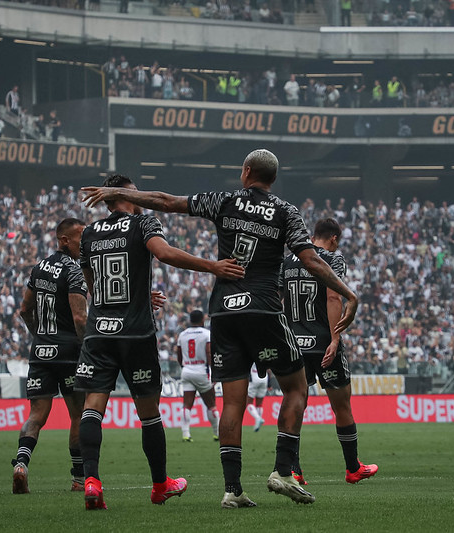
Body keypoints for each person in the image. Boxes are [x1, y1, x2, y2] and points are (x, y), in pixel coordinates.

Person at [81, 148, 359, 509]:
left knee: (232, 402)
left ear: (245, 172)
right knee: (296, 387)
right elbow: (309, 258)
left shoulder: (224, 201)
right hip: (262, 308)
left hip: (224, 312)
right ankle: (282, 470)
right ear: (272, 179)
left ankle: (232, 489)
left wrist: (119, 194)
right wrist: (347, 292)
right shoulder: (286, 211)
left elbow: (165, 201)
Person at [75, 174, 245, 510]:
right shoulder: (142, 222)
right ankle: (159, 485)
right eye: (136, 191)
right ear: (124, 195)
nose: (142, 196)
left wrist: (131, 296)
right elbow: (164, 254)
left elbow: (94, 282)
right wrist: (212, 266)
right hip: (135, 333)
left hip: (99, 332)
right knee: (149, 413)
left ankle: (91, 481)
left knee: (92, 407)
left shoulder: (90, 233)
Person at [281, 217, 378, 485]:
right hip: (323, 342)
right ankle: (352, 468)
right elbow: (334, 297)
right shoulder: (332, 259)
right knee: (342, 405)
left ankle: (293, 470)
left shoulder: (287, 261)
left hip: (294, 344)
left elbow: (278, 301)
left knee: (294, 403)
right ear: (333, 238)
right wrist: (335, 339)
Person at [11, 218, 89, 494]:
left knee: (36, 415)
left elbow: (24, 310)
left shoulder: (40, 267)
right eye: (81, 236)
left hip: (40, 352)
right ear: (64, 240)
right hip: (68, 352)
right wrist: (87, 347)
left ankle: (21, 463)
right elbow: (80, 318)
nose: (85, 241)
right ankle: (79, 478)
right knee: (78, 414)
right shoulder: (74, 270)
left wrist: (38, 336)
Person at [176, 309, 220, 442]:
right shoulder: (207, 334)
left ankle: (186, 434)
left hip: (187, 370)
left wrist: (184, 366)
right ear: (202, 320)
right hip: (202, 371)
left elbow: (178, 354)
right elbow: (209, 352)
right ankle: (217, 433)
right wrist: (214, 370)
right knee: (211, 404)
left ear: (190, 320)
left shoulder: (182, 335)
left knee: (187, 405)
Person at [246, 363, 268, 431]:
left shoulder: (250, 353)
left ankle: (258, 418)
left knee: (248, 402)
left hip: (254, 378)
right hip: (264, 378)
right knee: (259, 404)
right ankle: (258, 421)